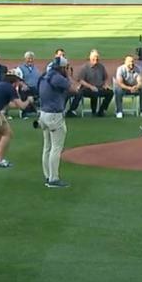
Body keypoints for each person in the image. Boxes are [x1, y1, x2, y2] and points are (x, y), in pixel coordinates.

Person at [38, 56, 80, 188]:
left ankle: (47, 175)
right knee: (56, 148)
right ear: (62, 68)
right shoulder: (58, 78)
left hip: (43, 114)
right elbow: (74, 89)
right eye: (66, 67)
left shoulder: (44, 76)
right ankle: (53, 179)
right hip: (54, 116)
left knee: (47, 147)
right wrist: (68, 76)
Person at [68, 49, 113, 117]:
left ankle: (102, 110)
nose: (96, 60)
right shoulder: (85, 67)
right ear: (90, 58)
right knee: (92, 93)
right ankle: (74, 110)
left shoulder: (101, 67)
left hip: (99, 87)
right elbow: (80, 80)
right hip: (88, 88)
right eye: (94, 58)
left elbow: (105, 77)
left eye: (97, 58)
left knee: (110, 92)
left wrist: (105, 84)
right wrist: (90, 86)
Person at [114, 55, 142, 119]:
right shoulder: (120, 69)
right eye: (129, 62)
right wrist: (129, 88)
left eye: (132, 61)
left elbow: (140, 82)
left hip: (134, 88)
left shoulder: (138, 68)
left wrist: (136, 87)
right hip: (124, 88)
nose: (131, 63)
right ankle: (119, 111)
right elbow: (120, 83)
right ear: (125, 62)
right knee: (118, 91)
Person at [18, 51, 41, 117]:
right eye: (28, 58)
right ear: (25, 59)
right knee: (25, 90)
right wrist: (23, 84)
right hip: (26, 88)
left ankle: (37, 109)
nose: (30, 60)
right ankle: (24, 111)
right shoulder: (20, 68)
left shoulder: (36, 69)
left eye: (32, 58)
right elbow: (18, 80)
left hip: (35, 88)